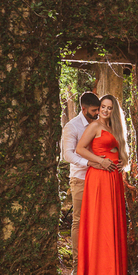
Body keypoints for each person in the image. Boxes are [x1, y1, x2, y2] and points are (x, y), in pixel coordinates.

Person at [75, 95, 128, 275]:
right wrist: (100, 161)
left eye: (109, 107)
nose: (105, 110)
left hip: (113, 179)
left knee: (111, 222)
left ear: (114, 110)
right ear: (99, 109)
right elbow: (80, 149)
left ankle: (113, 272)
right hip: (99, 177)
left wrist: (122, 163)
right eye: (103, 107)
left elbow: (118, 151)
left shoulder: (115, 129)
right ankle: (99, 273)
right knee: (101, 223)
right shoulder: (95, 126)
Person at [60, 91, 102, 255]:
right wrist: (88, 162)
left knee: (98, 220)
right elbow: (68, 154)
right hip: (81, 179)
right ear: (84, 109)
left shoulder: (99, 124)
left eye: (98, 109)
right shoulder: (72, 126)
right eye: (94, 110)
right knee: (79, 221)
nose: (97, 113)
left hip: (99, 178)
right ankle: (77, 263)